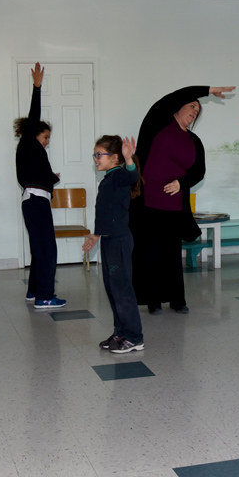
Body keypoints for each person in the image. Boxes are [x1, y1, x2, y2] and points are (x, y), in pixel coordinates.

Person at [130, 85, 235, 315]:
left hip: (175, 206)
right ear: (179, 106)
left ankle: (177, 299)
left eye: (198, 110)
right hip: (148, 203)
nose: (196, 111)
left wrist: (181, 183)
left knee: (171, 253)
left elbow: (199, 172)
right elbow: (171, 97)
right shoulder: (157, 124)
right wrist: (207, 90)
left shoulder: (194, 141)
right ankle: (153, 300)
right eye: (192, 106)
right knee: (151, 252)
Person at [83, 135, 144, 353]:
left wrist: (128, 160)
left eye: (99, 155)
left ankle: (135, 337)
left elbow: (132, 176)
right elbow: (106, 214)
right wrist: (95, 236)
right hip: (108, 241)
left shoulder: (119, 175)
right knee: (112, 290)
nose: (96, 159)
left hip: (119, 242)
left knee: (122, 290)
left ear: (114, 157)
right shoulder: (108, 179)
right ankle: (120, 332)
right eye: (95, 155)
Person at [14, 62, 65, 310]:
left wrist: (50, 177)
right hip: (36, 201)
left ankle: (35, 292)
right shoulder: (28, 144)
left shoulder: (31, 153)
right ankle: (45, 297)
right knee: (47, 249)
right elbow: (34, 117)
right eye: (45, 137)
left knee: (39, 248)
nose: (46, 142)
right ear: (34, 134)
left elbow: (35, 175)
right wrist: (37, 86)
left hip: (34, 199)